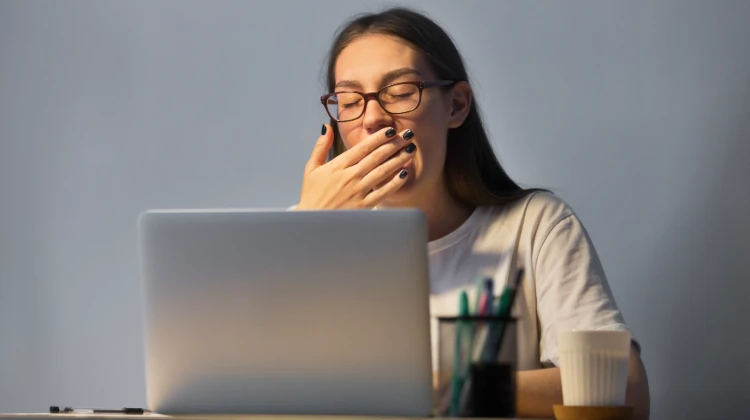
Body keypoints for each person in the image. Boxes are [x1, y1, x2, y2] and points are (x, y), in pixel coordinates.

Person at [295, 6, 650, 419]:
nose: (373, 118)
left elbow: (623, 389)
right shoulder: (303, 228)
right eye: (351, 100)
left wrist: (449, 389)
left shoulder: (534, 226)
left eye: (402, 91)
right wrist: (308, 233)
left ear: (457, 106)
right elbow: (248, 383)